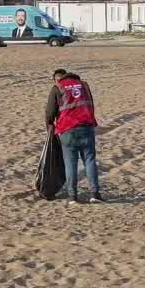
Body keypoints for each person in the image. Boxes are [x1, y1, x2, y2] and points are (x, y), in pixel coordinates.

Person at [45, 68, 102, 203]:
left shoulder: (57, 88)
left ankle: (72, 196)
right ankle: (95, 194)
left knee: (70, 163)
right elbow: (91, 105)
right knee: (90, 160)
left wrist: (49, 126)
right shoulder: (84, 85)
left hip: (67, 129)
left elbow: (49, 112)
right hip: (86, 126)